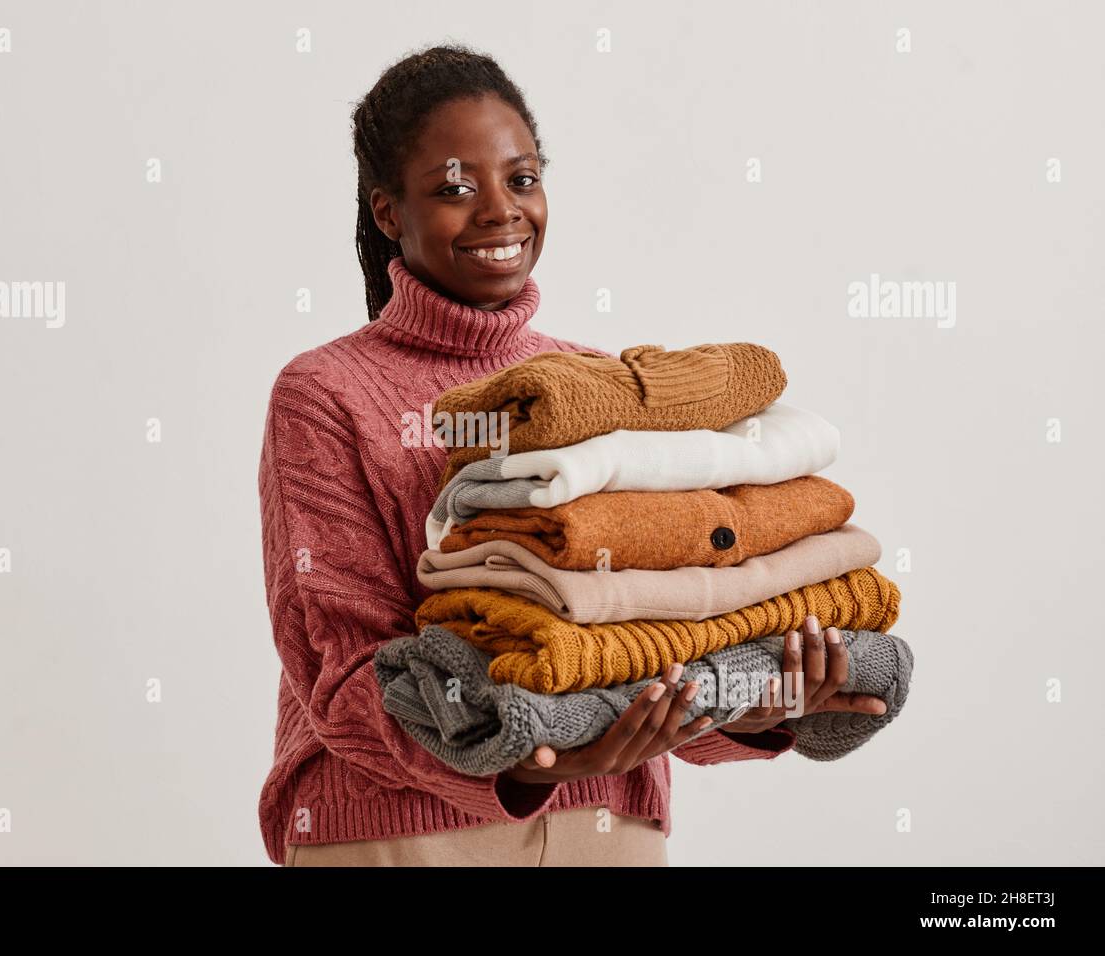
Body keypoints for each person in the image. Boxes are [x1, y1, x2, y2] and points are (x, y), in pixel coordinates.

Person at [257, 45, 886, 867]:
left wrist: (751, 706)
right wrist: (517, 758)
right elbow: (341, 681)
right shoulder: (325, 391)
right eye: (454, 188)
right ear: (386, 212)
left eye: (521, 179)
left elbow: (662, 631)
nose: (499, 211)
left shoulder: (597, 387)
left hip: (611, 826)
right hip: (397, 833)